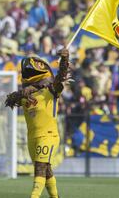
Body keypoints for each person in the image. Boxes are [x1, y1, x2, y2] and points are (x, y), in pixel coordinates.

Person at [5, 49, 70, 198]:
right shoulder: (26, 95)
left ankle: (34, 196)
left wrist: (65, 61)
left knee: (40, 168)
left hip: (48, 135)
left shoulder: (52, 91)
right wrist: (23, 92)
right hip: (32, 138)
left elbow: (60, 79)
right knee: (46, 171)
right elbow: (10, 100)